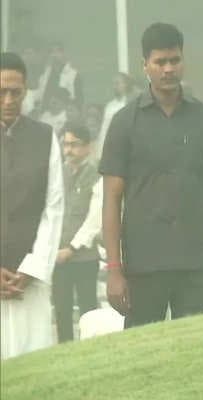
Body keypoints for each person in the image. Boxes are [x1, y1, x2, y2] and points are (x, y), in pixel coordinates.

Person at [99, 22, 203, 328]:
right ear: (145, 65)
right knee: (142, 351)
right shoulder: (124, 123)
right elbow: (111, 200)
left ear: (183, 60)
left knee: (197, 349)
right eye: (160, 62)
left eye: (175, 60)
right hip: (143, 266)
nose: (168, 69)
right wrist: (114, 270)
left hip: (195, 264)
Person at [1, 52, 64, 359]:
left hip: (29, 280)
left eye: (16, 92)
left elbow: (54, 207)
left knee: (32, 365)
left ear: (26, 90)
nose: (8, 100)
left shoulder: (44, 137)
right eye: (2, 92)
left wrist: (33, 267)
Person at [53, 122, 102, 342]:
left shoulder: (97, 175)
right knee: (61, 311)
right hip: (57, 257)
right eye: (65, 144)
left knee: (87, 312)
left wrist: (71, 248)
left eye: (74, 144)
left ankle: (88, 354)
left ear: (88, 147)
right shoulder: (56, 174)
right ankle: (64, 352)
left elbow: (95, 220)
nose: (68, 150)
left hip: (84, 257)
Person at [95, 72, 138, 159]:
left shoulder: (132, 105)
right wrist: (100, 152)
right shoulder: (109, 106)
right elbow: (104, 129)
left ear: (125, 85)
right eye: (113, 84)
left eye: (117, 83)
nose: (115, 86)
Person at [36, 42, 84, 109]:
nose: (54, 55)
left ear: (64, 53)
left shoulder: (74, 74)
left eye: (58, 51)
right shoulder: (44, 75)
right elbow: (40, 96)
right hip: (46, 112)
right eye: (51, 52)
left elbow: (79, 99)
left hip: (65, 112)